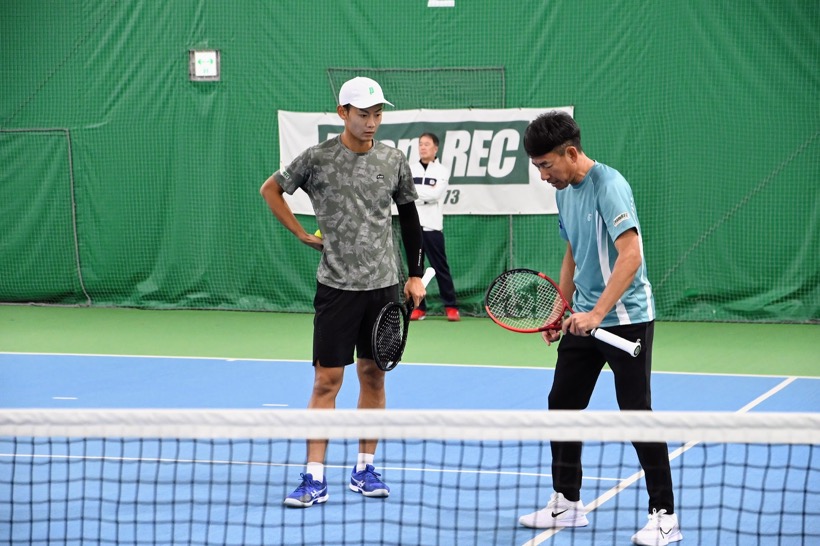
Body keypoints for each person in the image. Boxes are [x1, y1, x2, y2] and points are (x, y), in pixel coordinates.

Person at [259, 76, 426, 509]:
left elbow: (410, 219)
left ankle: (364, 469)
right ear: (343, 113)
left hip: (384, 288)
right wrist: (300, 233)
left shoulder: (393, 160)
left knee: (373, 376)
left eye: (377, 114)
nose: (372, 122)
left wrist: (415, 275)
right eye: (363, 114)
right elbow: (271, 190)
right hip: (336, 288)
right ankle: (314, 477)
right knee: (326, 381)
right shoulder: (316, 159)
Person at [518, 111, 682, 546]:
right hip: (583, 319)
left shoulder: (609, 186)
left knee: (636, 412)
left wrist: (596, 314)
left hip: (625, 319)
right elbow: (573, 251)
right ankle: (567, 503)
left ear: (571, 153)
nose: (543, 176)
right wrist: (559, 309)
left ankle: (665, 516)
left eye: (546, 165)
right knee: (562, 403)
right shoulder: (564, 193)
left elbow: (631, 255)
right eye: (537, 167)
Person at [409, 132, 460, 322]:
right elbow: (406, 193)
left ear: (435, 148)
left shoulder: (442, 171)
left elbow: (435, 195)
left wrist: (417, 195)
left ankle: (451, 306)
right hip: (413, 227)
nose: (423, 147)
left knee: (440, 267)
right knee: (415, 270)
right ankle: (419, 308)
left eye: (427, 144)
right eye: (420, 144)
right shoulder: (410, 169)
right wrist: (423, 195)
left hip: (433, 227)